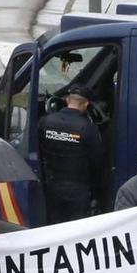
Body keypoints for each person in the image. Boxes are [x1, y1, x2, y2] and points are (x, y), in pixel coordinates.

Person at [36, 86, 109, 223]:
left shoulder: (45, 121)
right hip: (78, 188)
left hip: (52, 185)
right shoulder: (88, 128)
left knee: (53, 225)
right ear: (86, 104)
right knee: (76, 228)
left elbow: (37, 149)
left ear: (67, 100)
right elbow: (98, 160)